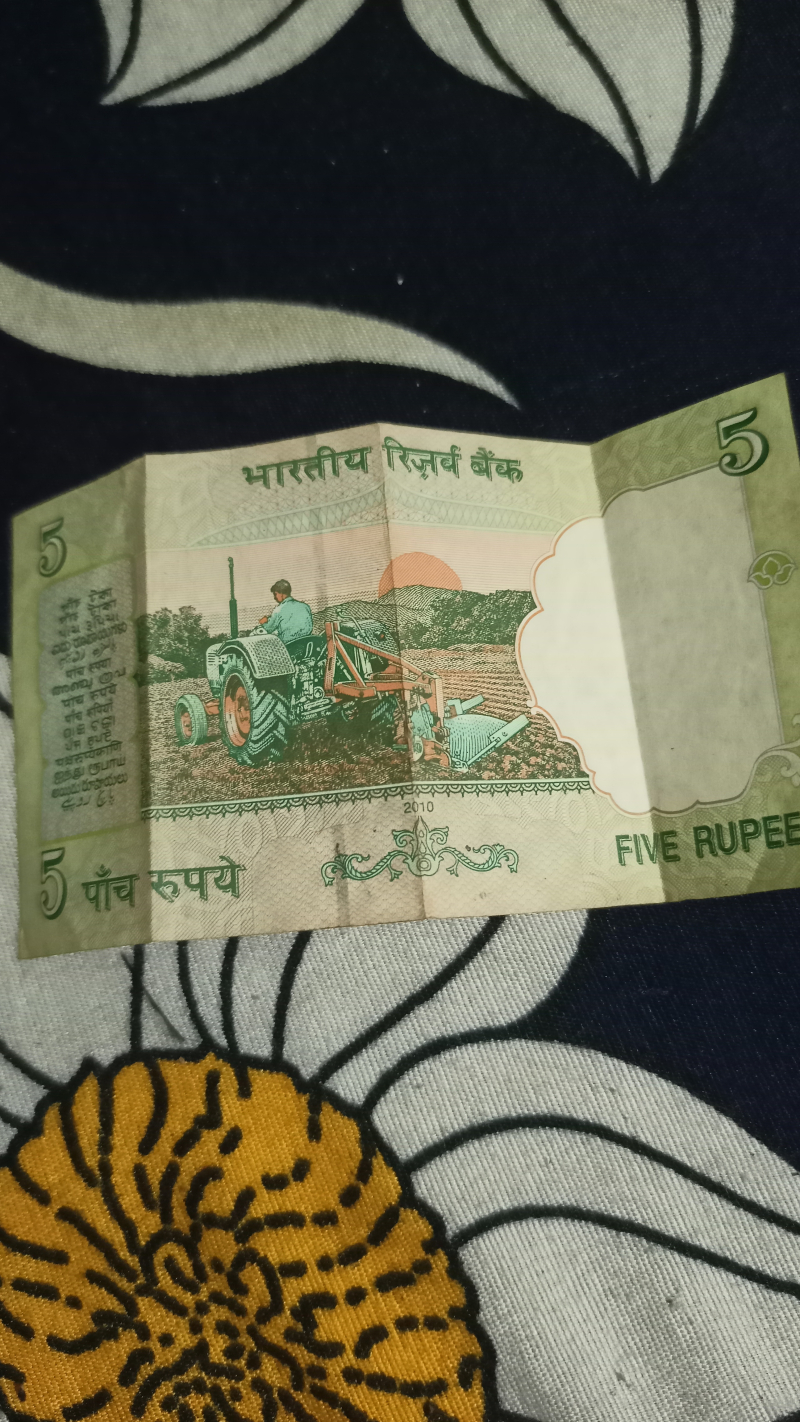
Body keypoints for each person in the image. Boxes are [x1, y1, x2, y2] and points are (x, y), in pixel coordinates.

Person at [259, 579, 313, 644]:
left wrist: (263, 622)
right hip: (306, 643)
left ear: (281, 594)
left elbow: (269, 629)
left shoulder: (278, 610)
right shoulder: (305, 606)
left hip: (288, 645)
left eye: (275, 594)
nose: (274, 597)